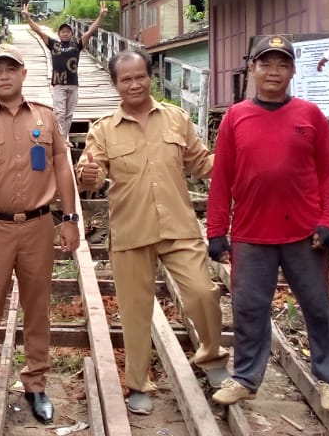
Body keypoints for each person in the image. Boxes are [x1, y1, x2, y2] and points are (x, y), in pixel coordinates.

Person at [76, 48, 224, 415]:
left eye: (140, 76)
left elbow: (202, 162)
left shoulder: (176, 119)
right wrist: (89, 174)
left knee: (203, 292)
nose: (134, 84)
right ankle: (139, 383)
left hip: (178, 226)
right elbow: (91, 171)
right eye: (126, 79)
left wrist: (239, 162)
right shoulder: (103, 130)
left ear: (150, 77)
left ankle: (212, 355)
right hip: (131, 230)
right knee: (135, 311)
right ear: (115, 84)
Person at [206, 34, 329, 414]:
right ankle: (246, 378)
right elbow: (221, 179)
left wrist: (328, 221)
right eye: (266, 64)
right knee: (249, 308)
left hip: (304, 233)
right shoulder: (235, 117)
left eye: (282, 64)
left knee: (317, 307)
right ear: (252, 69)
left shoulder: (310, 116)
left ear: (292, 71)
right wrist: (217, 231)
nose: (273, 71)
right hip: (252, 232)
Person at [0, 42, 81, 431]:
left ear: (24, 73)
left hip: (38, 225)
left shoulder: (44, 117)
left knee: (37, 305)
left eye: (11, 68)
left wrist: (71, 217)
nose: (4, 75)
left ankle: (36, 384)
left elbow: (62, 162)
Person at [24, 2, 107, 137]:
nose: (65, 34)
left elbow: (90, 31)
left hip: (73, 84)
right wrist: (28, 18)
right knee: (60, 113)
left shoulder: (77, 45)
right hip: (59, 85)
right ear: (59, 34)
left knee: (69, 114)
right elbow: (39, 31)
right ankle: (61, 139)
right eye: (63, 32)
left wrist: (101, 17)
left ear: (71, 34)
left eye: (68, 32)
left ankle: (64, 137)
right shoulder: (53, 45)